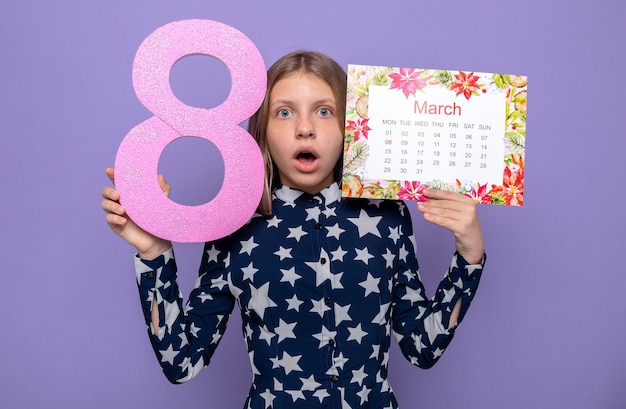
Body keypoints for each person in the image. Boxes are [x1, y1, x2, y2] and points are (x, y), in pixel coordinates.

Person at [101, 50, 485, 408]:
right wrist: (154, 254)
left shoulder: (388, 215)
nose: (305, 128)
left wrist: (469, 257)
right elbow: (180, 362)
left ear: (351, 125)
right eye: (284, 113)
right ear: (263, 129)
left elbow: (423, 347)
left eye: (323, 111)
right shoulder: (233, 223)